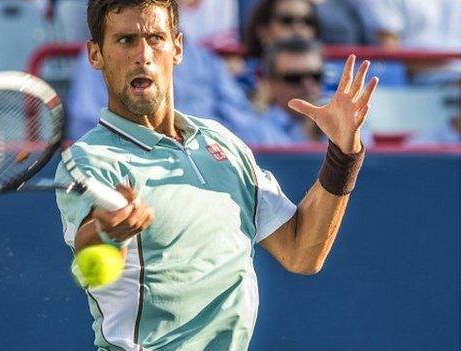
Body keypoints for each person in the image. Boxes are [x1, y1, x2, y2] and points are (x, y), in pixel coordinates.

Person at [54, 1, 378, 350]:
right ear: (95, 55)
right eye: (126, 41)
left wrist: (342, 154)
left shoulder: (223, 144)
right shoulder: (93, 159)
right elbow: (88, 246)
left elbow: (302, 252)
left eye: (155, 38)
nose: (143, 55)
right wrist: (107, 230)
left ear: (177, 48)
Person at [66, 35, 280, 144]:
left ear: (177, 48)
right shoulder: (100, 59)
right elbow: (86, 133)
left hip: (206, 168)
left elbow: (246, 130)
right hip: (131, 169)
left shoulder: (205, 60)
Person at [245, 37, 374, 146]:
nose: (308, 84)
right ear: (270, 82)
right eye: (294, 78)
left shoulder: (348, 121)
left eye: (316, 76)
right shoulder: (253, 132)